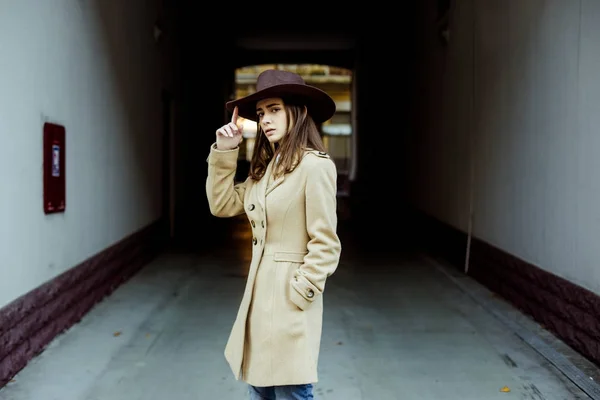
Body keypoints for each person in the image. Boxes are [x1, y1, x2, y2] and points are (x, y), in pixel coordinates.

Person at [205, 69, 342, 399]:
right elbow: (222, 205)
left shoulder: (315, 166)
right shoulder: (265, 172)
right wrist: (225, 150)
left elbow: (326, 243)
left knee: (293, 389)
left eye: (275, 109)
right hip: (258, 302)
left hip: (290, 305)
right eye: (262, 113)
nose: (266, 119)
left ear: (298, 111)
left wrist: (300, 291)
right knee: (260, 389)